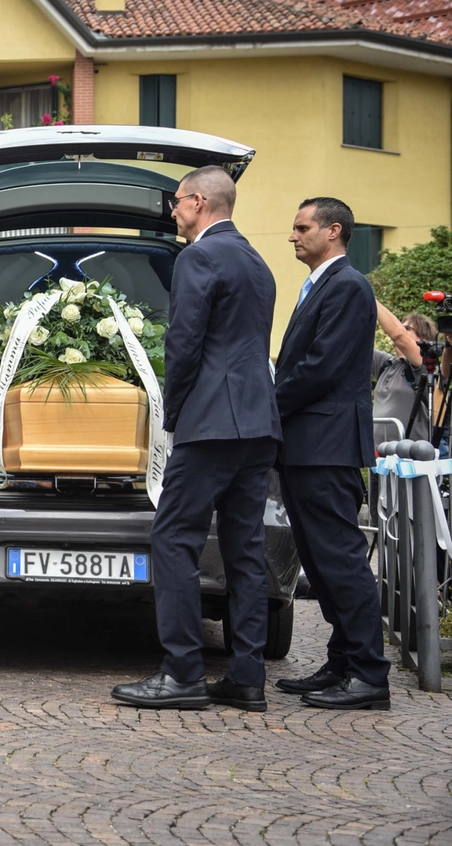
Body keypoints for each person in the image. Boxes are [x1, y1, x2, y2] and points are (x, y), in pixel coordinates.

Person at [112, 166, 281, 712]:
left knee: (174, 539)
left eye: (177, 202)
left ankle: (182, 673)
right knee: (245, 549)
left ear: (201, 201)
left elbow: (184, 344)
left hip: (210, 424)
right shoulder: (257, 260)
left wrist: (172, 414)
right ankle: (247, 677)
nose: (172, 211)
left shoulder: (199, 257)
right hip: (257, 425)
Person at [270, 197, 391, 710]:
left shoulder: (347, 285)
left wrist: (266, 404)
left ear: (333, 231)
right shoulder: (322, 285)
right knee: (319, 565)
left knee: (339, 560)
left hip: (327, 447)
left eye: (302, 227)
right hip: (307, 447)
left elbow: (319, 368)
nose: (293, 236)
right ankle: (342, 663)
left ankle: (369, 675)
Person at [372, 305, 434, 446]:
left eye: (406, 328)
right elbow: (355, 343)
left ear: (422, 339)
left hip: (411, 458)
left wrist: (370, 297)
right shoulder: (385, 363)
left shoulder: (424, 365)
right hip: (380, 458)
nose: (399, 328)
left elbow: (398, 335)